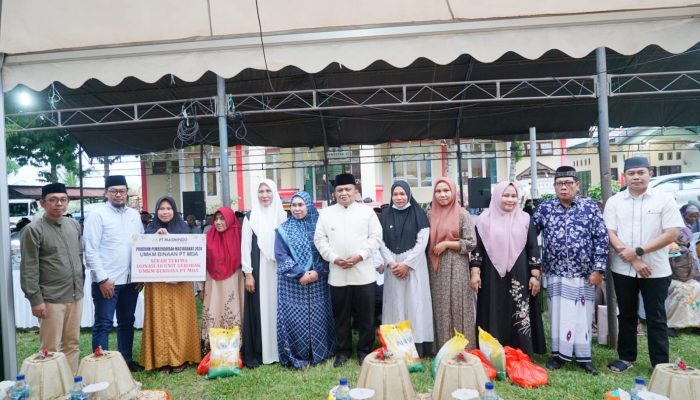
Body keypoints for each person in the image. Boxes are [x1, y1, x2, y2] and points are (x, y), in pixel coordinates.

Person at [603, 157, 684, 372]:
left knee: (656, 316)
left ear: (650, 173)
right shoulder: (615, 201)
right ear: (624, 176)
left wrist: (639, 252)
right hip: (623, 269)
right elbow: (611, 233)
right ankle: (626, 358)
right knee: (626, 314)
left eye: (640, 172)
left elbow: (672, 233)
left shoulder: (664, 200)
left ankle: (660, 363)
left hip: (655, 269)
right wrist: (634, 260)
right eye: (631, 173)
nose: (636, 177)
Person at [532, 167, 608, 375]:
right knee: (558, 315)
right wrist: (535, 266)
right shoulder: (545, 208)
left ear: (577, 184)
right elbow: (530, 235)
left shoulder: (590, 207)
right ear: (555, 186)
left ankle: (584, 357)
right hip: (555, 273)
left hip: (584, 274)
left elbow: (601, 239)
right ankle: (559, 355)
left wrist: (599, 269)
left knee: (582, 316)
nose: (564, 187)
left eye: (568, 183)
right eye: (559, 183)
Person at [314, 173, 383, 367]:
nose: (344, 193)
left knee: (366, 316)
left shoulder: (367, 212)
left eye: (348, 189)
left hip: (364, 273)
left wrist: (360, 255)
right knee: (341, 316)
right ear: (334, 193)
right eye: (340, 190)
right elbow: (320, 240)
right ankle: (343, 351)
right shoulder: (326, 214)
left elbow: (376, 237)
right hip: (338, 274)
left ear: (356, 191)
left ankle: (364, 351)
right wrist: (334, 258)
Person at [470, 181, 545, 357]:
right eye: (506, 195)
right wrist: (475, 272)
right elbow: (477, 249)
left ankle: (521, 350)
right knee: (493, 307)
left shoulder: (525, 219)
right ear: (496, 196)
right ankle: (493, 350)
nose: (510, 199)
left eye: (513, 196)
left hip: (519, 272)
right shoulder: (483, 220)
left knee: (518, 308)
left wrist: (535, 275)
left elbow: (533, 247)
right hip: (491, 274)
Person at [20, 183, 84, 373]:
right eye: (53, 200)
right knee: (50, 349)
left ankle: (72, 384)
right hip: (50, 299)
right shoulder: (33, 230)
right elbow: (29, 267)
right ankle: (50, 388)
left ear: (68, 201)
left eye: (63, 199)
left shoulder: (73, 225)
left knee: (72, 344)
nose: (59, 204)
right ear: (42, 203)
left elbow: (79, 258)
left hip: (75, 295)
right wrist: (35, 299)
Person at [83, 175, 144, 372]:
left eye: (122, 191)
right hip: (107, 281)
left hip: (130, 281)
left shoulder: (134, 215)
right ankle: (102, 366)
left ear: (127, 192)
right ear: (106, 193)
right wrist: (102, 278)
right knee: (104, 323)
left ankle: (125, 361)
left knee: (127, 321)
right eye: (114, 191)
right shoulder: (97, 215)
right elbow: (90, 249)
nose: (118, 194)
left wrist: (140, 274)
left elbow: (140, 244)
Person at [140, 196, 201, 373]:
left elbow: (192, 257)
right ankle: (161, 360)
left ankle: (180, 359)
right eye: (161, 208)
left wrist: (171, 239)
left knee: (179, 320)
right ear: (156, 211)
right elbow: (142, 257)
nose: (165, 212)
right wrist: (155, 239)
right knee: (159, 321)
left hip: (179, 284)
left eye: (168, 208)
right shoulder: (149, 231)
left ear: (174, 210)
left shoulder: (184, 229)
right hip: (157, 286)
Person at [275, 191, 336, 368]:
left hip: (318, 281)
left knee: (319, 316)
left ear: (309, 206)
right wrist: (300, 273)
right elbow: (280, 254)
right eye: (294, 205)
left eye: (301, 205)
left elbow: (326, 251)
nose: (297, 209)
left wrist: (317, 272)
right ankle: (297, 354)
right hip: (292, 283)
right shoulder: (283, 229)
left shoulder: (320, 227)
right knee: (294, 319)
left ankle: (320, 351)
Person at [378, 181, 434, 357]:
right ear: (391, 196)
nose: (399, 197)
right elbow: (379, 241)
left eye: (403, 194)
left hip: (414, 268)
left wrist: (407, 264)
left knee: (415, 304)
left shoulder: (419, 215)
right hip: (393, 267)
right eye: (396, 194)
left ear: (409, 194)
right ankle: (395, 345)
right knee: (395, 305)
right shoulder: (385, 215)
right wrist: (391, 263)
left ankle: (417, 345)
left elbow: (422, 242)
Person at [242, 179, 288, 367]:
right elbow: (245, 247)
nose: (264, 195)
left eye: (268, 191)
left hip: (280, 270)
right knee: (261, 309)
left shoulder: (283, 216)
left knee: (278, 308)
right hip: (259, 270)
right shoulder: (250, 217)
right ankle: (263, 351)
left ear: (274, 192)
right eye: (261, 191)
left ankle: (281, 350)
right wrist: (248, 273)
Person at [428, 177, 477, 349]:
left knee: (458, 303)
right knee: (440, 305)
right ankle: (442, 346)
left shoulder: (462, 214)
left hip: (457, 264)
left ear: (453, 192)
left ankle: (463, 345)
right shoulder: (430, 214)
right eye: (438, 191)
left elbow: (471, 242)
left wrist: (447, 244)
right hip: (436, 267)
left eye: (446, 191)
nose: (442, 195)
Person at [199, 207, 245, 355]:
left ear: (230, 219)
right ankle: (212, 346)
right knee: (214, 309)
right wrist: (200, 287)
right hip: (213, 283)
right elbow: (201, 263)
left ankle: (235, 346)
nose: (218, 222)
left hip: (234, 282)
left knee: (232, 309)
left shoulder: (240, 236)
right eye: (216, 219)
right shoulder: (208, 236)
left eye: (222, 219)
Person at [666, 221, 700, 334]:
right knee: (681, 290)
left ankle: (696, 323)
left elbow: (693, 267)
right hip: (666, 277)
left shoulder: (687, 246)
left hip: (684, 277)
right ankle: (672, 324)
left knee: (697, 287)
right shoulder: (664, 242)